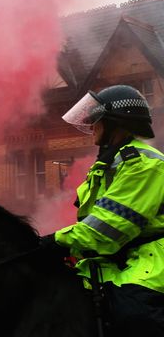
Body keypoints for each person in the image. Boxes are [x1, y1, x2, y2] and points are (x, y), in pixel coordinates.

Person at [46, 84, 164, 334]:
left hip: (151, 262)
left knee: (132, 317)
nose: (92, 126)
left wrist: (57, 242)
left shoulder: (143, 165)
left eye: (96, 119)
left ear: (115, 122)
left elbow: (110, 227)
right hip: (113, 258)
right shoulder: (108, 164)